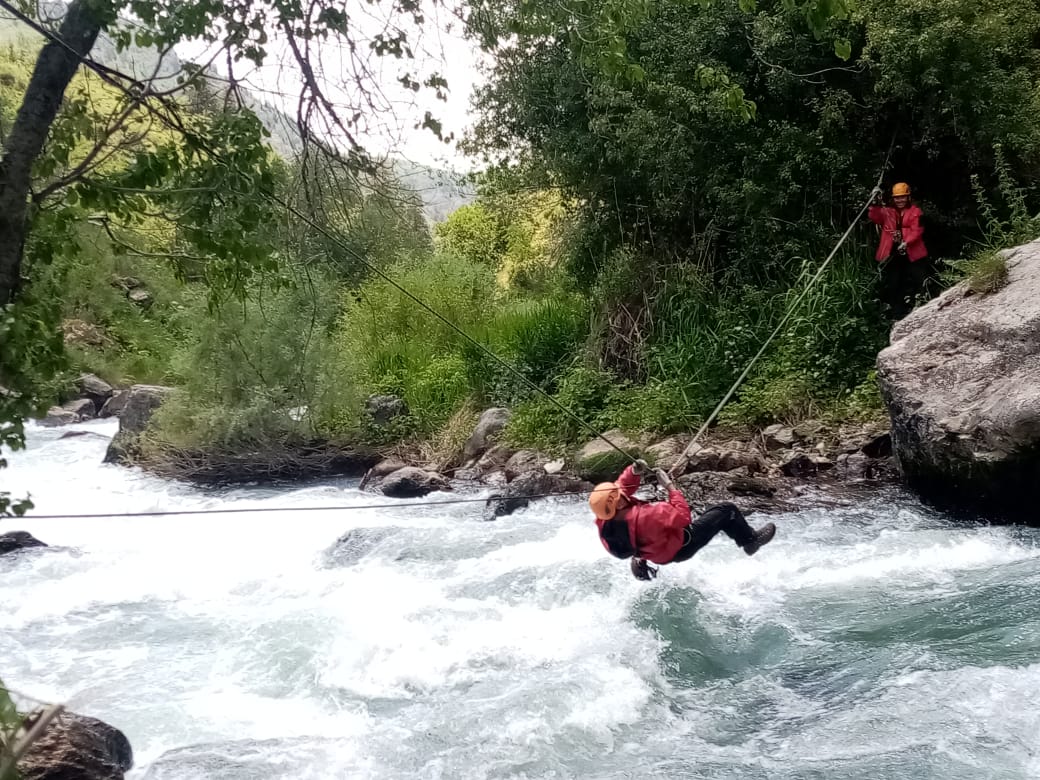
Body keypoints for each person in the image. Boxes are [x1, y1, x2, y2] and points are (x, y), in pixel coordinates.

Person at [589, 460, 776, 581]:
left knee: (642, 537)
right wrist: (670, 487)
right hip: (682, 547)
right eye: (621, 496)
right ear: (619, 504)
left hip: (652, 550)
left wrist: (634, 471)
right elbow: (683, 517)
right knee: (726, 510)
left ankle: (640, 558)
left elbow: (622, 487)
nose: (622, 493)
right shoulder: (650, 516)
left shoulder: (604, 518)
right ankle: (750, 541)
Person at [868, 182, 931, 319]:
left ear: (908, 197)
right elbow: (874, 216)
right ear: (893, 198)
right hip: (893, 255)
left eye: (903, 197)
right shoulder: (888, 212)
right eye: (897, 198)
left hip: (913, 254)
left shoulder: (915, 212)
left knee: (918, 282)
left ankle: (921, 311)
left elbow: (917, 230)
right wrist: (873, 201)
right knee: (895, 284)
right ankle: (897, 314)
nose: (900, 200)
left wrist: (906, 242)